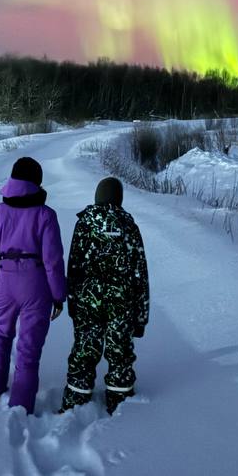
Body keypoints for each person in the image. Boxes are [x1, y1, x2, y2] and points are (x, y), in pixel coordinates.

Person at [0, 156, 66, 414]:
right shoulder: (45, 215)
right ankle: (20, 404)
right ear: (36, 182)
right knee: (28, 347)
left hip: (5, 282)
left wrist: (0, 279)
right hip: (36, 286)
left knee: (1, 334)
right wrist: (58, 295)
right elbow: (53, 261)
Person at [60, 176, 149, 414]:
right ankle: (120, 404)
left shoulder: (84, 223)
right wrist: (141, 318)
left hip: (88, 300)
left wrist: (73, 304)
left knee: (83, 350)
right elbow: (139, 273)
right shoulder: (129, 226)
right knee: (120, 351)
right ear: (119, 198)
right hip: (122, 302)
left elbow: (74, 265)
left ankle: (75, 401)